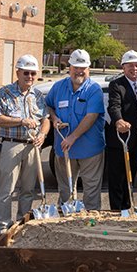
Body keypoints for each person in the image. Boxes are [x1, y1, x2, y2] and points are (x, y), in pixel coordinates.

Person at [0, 54, 49, 232]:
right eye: (26, 73)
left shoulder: (38, 95)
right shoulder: (5, 93)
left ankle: (22, 224)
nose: (30, 77)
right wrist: (21, 121)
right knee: (6, 190)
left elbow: (45, 119)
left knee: (28, 190)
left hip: (32, 147)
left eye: (33, 73)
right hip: (11, 145)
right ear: (17, 72)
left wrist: (43, 135)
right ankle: (2, 228)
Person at [45, 49, 106, 210]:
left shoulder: (94, 90)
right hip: (64, 150)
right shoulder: (58, 87)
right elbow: (48, 105)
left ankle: (90, 226)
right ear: (69, 67)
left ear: (89, 68)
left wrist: (72, 137)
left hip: (89, 150)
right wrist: (53, 117)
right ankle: (67, 224)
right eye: (76, 67)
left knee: (91, 191)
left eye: (83, 68)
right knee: (65, 191)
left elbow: (91, 116)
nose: (79, 71)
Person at [106, 50, 137, 211]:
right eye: (130, 65)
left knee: (131, 175)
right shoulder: (117, 85)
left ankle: (128, 207)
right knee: (117, 178)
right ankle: (117, 210)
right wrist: (118, 120)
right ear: (123, 67)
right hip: (120, 139)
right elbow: (114, 105)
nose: (135, 68)